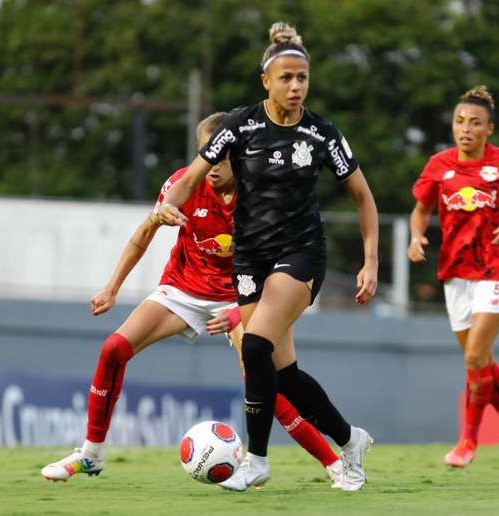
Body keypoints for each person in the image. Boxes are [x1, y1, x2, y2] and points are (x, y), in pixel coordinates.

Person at [40, 112, 344, 485]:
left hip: (242, 293)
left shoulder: (263, 193)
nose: (213, 165)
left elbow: (281, 266)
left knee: (264, 378)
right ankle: (90, 455)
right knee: (113, 349)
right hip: (183, 289)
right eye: (206, 154)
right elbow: (144, 233)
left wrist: (237, 311)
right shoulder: (183, 185)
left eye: (222, 156)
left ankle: (333, 463)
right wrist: (112, 287)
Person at [158, 22, 379, 492]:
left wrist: (372, 260)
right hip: (250, 260)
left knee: (254, 345)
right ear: (266, 81)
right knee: (282, 373)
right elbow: (193, 176)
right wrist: (168, 207)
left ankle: (255, 461)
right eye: (286, 78)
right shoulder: (240, 126)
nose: (296, 86)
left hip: (300, 254)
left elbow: (363, 197)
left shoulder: (322, 133)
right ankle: (350, 439)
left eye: (302, 77)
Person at [408, 85, 499, 469]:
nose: (466, 129)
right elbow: (421, 208)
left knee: (475, 355)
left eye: (475, 123)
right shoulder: (439, 165)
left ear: (490, 129)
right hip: (455, 273)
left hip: (498, 269)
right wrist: (416, 235)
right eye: (460, 122)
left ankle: (468, 441)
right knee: (481, 361)